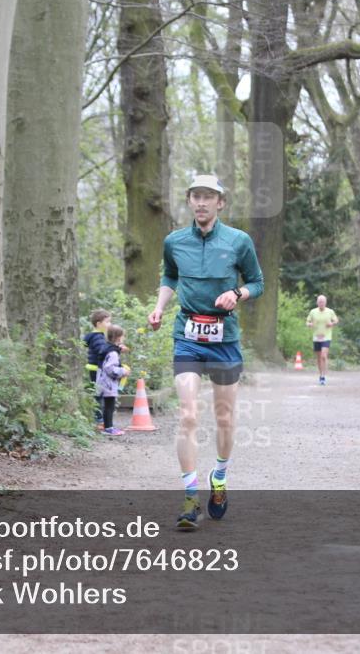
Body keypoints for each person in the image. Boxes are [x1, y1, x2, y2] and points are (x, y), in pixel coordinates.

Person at [147, 174, 263, 530]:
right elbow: (169, 277)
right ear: (189, 201)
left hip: (224, 338)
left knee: (224, 418)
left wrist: (238, 294)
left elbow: (257, 282)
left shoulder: (238, 241)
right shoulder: (174, 241)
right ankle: (189, 496)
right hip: (188, 336)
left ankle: (219, 477)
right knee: (187, 415)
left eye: (208, 196)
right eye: (196, 196)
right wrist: (159, 307)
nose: (201, 202)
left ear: (220, 203)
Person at [96, 325, 130, 437]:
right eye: (123, 336)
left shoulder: (107, 348)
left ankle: (108, 426)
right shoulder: (113, 353)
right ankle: (108, 428)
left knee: (107, 405)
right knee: (109, 406)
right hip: (108, 383)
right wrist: (123, 371)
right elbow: (109, 368)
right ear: (118, 337)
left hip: (103, 381)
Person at [83, 309, 112, 430]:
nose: (110, 324)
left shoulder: (95, 336)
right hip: (97, 370)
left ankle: (99, 419)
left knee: (99, 393)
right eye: (107, 322)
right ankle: (99, 420)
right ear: (99, 323)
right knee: (100, 394)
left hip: (95, 369)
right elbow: (102, 351)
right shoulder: (98, 338)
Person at [306, 295, 339, 385]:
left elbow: (336, 320)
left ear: (325, 302)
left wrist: (331, 324)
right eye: (320, 302)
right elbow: (307, 321)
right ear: (317, 303)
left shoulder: (330, 311)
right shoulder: (313, 312)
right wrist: (310, 324)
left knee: (323, 356)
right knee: (319, 357)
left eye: (323, 302)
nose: (321, 303)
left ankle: (324, 375)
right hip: (316, 337)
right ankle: (321, 375)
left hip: (326, 337)